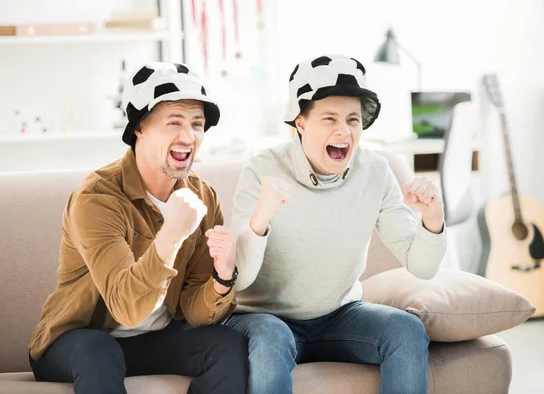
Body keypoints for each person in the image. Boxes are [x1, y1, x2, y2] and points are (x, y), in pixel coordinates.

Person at [225, 54, 447, 394]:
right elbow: (239, 280)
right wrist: (260, 220)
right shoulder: (262, 169)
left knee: (406, 329)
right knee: (273, 336)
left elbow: (422, 267)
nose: (343, 131)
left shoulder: (375, 172)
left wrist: (432, 218)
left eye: (353, 120)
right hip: (264, 318)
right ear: (300, 122)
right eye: (329, 118)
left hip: (339, 316)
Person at [28, 62, 248, 394]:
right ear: (140, 127)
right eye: (174, 122)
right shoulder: (98, 197)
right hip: (78, 339)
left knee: (228, 345)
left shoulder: (203, 196)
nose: (188, 137)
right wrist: (171, 235)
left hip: (153, 340)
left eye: (197, 124)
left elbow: (195, 310)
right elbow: (127, 309)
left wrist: (223, 276)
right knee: (99, 350)